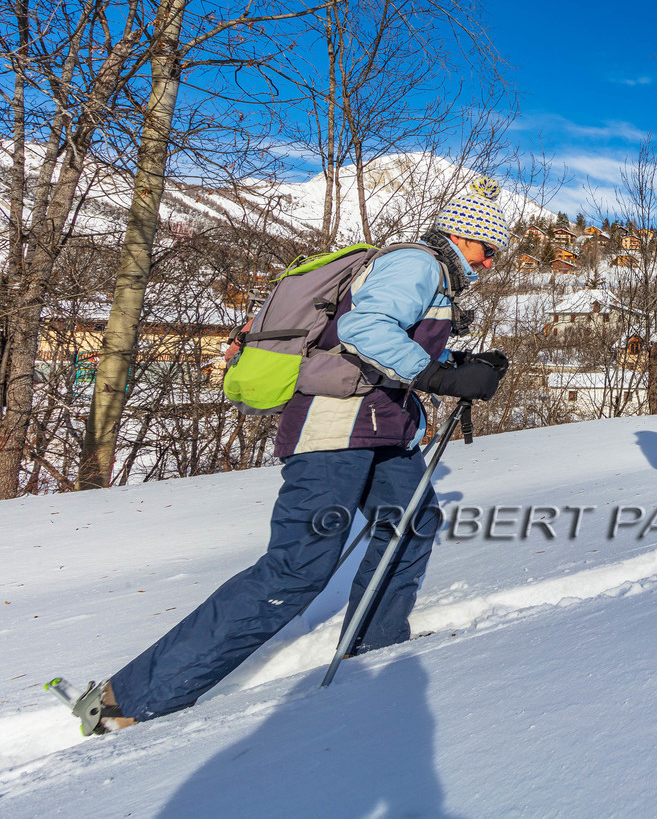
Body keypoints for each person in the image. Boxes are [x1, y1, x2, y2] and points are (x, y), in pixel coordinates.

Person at [73, 177, 513, 735]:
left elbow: (389, 336)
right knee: (300, 565)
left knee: (410, 522)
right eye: (489, 250)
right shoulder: (418, 264)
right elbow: (365, 327)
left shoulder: (433, 279)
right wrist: (436, 374)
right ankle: (130, 699)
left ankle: (372, 648)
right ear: (465, 235)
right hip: (336, 424)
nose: (492, 264)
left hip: (380, 427)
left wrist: (463, 362)